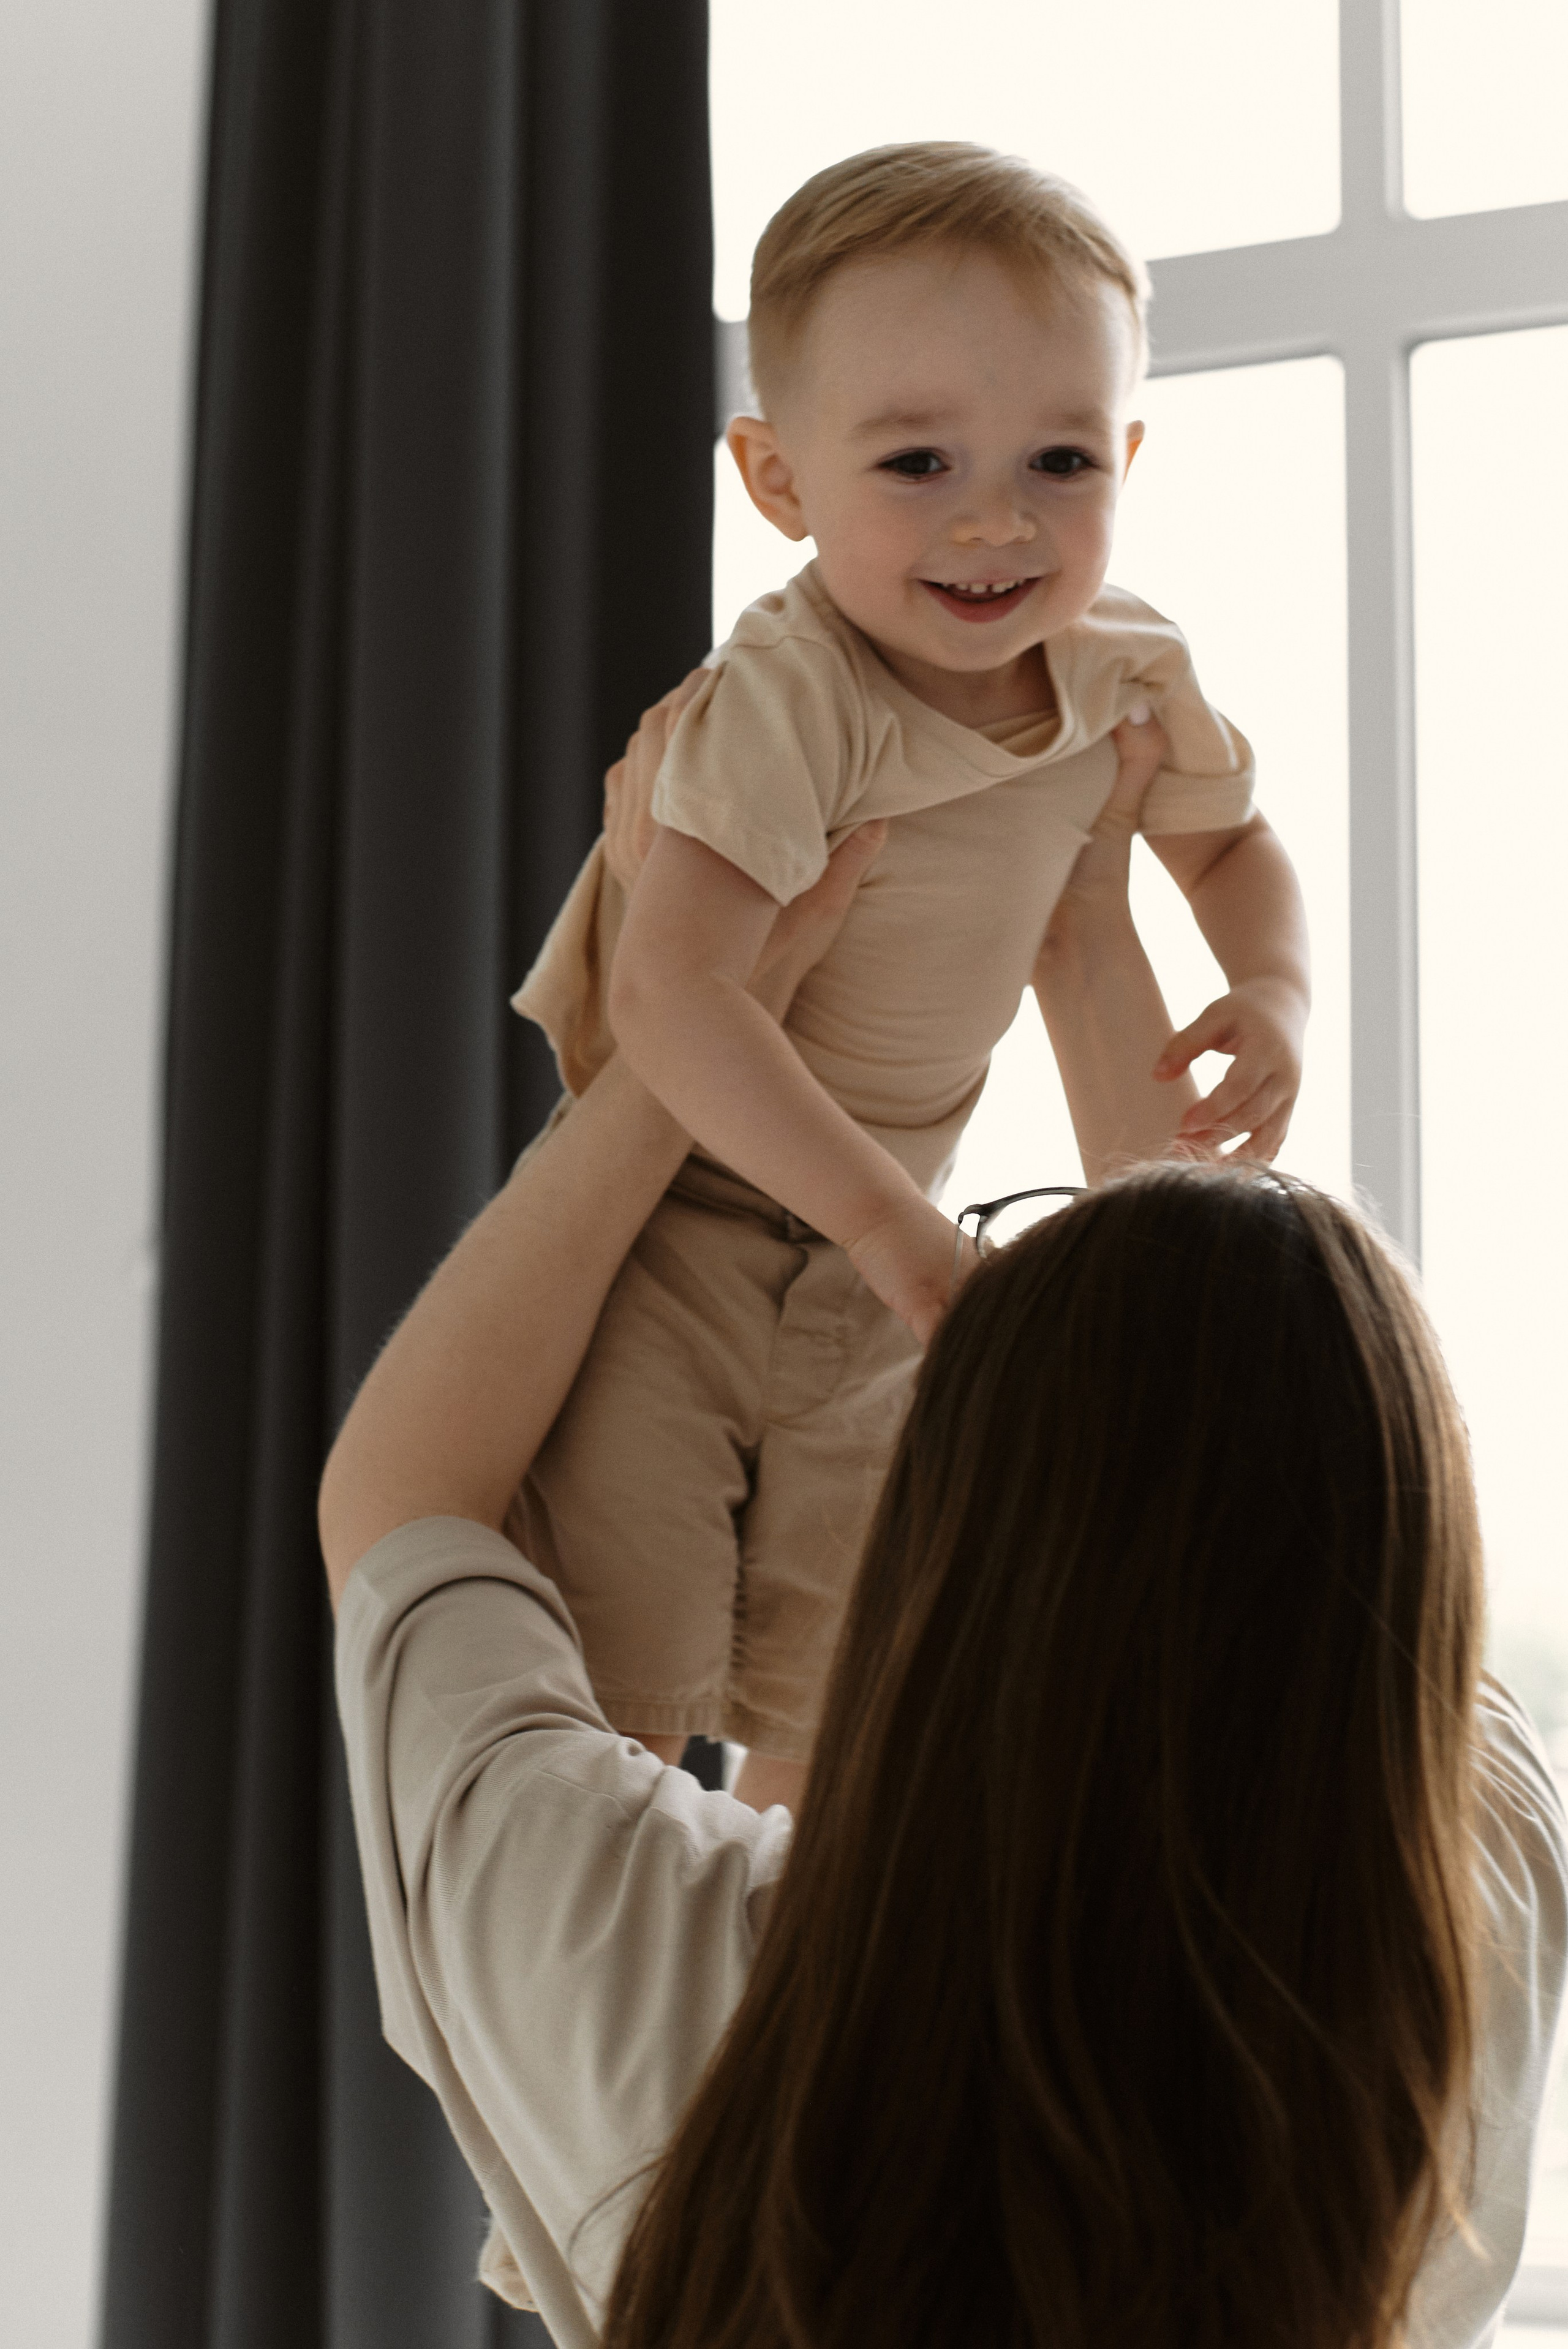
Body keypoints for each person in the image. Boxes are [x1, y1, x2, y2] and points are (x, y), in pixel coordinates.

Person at [320, 700, 1566, 2349]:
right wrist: (1080, 927)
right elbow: (1264, 1484)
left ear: (952, 1529)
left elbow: (410, 1519)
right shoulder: (1466, 1962)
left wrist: (673, 1050)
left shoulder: (655, 1964)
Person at [510, 143, 1313, 1811]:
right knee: (627, 1688)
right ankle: (631, 1945)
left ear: (1128, 457)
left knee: (852, 1683)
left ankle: (812, 1957)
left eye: (1060, 460)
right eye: (919, 461)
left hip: (890, 1244)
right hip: (676, 1234)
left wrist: (1274, 991)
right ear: (779, 479)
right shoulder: (790, 696)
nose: (997, 519)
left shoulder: (1122, 669)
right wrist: (889, 1229)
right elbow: (672, 997)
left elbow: (1234, 846)